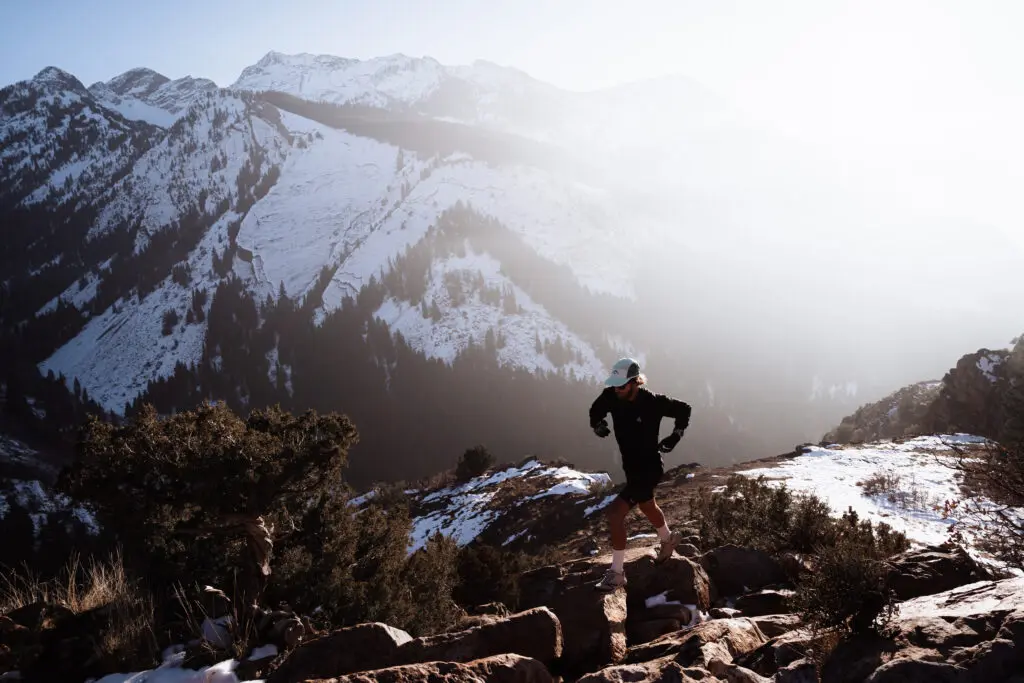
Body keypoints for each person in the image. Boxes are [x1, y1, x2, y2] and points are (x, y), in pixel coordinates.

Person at [589, 357, 692, 591]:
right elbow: (596, 410)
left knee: (615, 514)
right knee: (647, 506)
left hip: (649, 468)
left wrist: (675, 436)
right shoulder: (611, 396)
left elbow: (684, 410)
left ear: (635, 382)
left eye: (622, 385)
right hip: (632, 469)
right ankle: (668, 540)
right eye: (615, 384)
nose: (617, 389)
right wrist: (597, 424)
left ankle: (616, 573)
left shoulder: (653, 402)